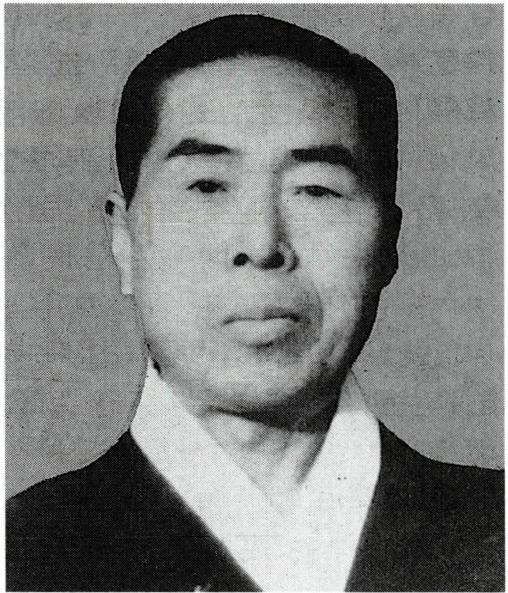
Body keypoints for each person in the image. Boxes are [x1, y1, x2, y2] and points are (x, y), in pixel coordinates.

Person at [7, 14, 503, 592]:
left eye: (316, 189)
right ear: (125, 242)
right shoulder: (24, 554)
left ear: (387, 244)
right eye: (207, 186)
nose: (261, 244)